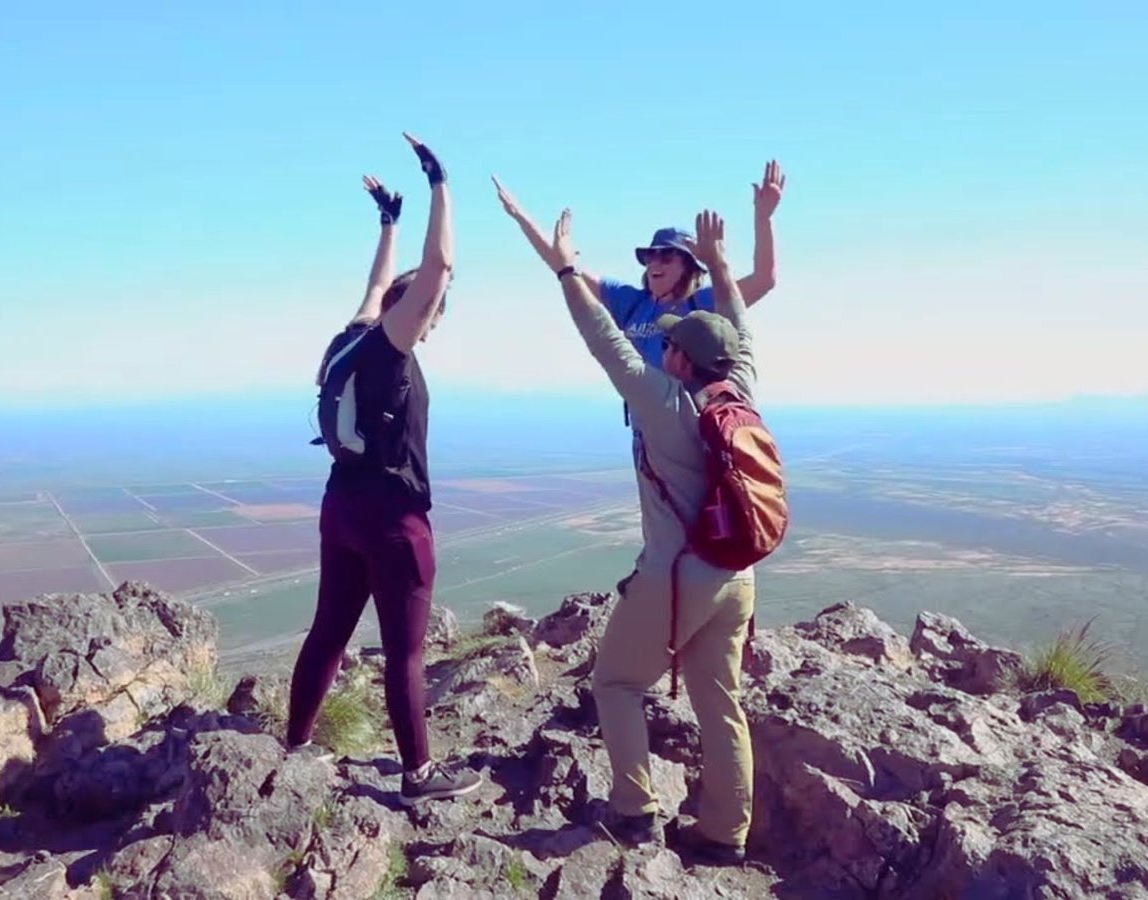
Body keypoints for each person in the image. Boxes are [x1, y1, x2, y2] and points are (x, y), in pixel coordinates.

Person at [542, 207, 758, 865]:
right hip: (738, 576)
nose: (660, 346)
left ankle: (634, 814)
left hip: (677, 574)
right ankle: (727, 836)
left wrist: (563, 265)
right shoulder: (742, 386)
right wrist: (719, 262)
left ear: (681, 358)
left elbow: (597, 332)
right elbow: (741, 328)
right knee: (719, 702)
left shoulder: (661, 403)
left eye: (669, 343)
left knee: (616, 684)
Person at [285, 133, 482, 806]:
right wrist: (438, 183)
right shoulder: (394, 346)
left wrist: (387, 222)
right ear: (417, 312)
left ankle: (296, 747)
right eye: (429, 311)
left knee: (328, 631)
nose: (432, 319)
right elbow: (443, 265)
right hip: (393, 521)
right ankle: (419, 775)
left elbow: (377, 284)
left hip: (339, 505)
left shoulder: (355, 333)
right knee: (404, 653)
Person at [493, 160, 785, 369]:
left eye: (666, 256)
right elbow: (565, 265)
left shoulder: (705, 303)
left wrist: (764, 218)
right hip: (647, 440)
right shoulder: (632, 302)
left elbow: (764, 279)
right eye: (650, 256)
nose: (654, 263)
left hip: (693, 438)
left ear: (689, 267)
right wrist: (520, 216)